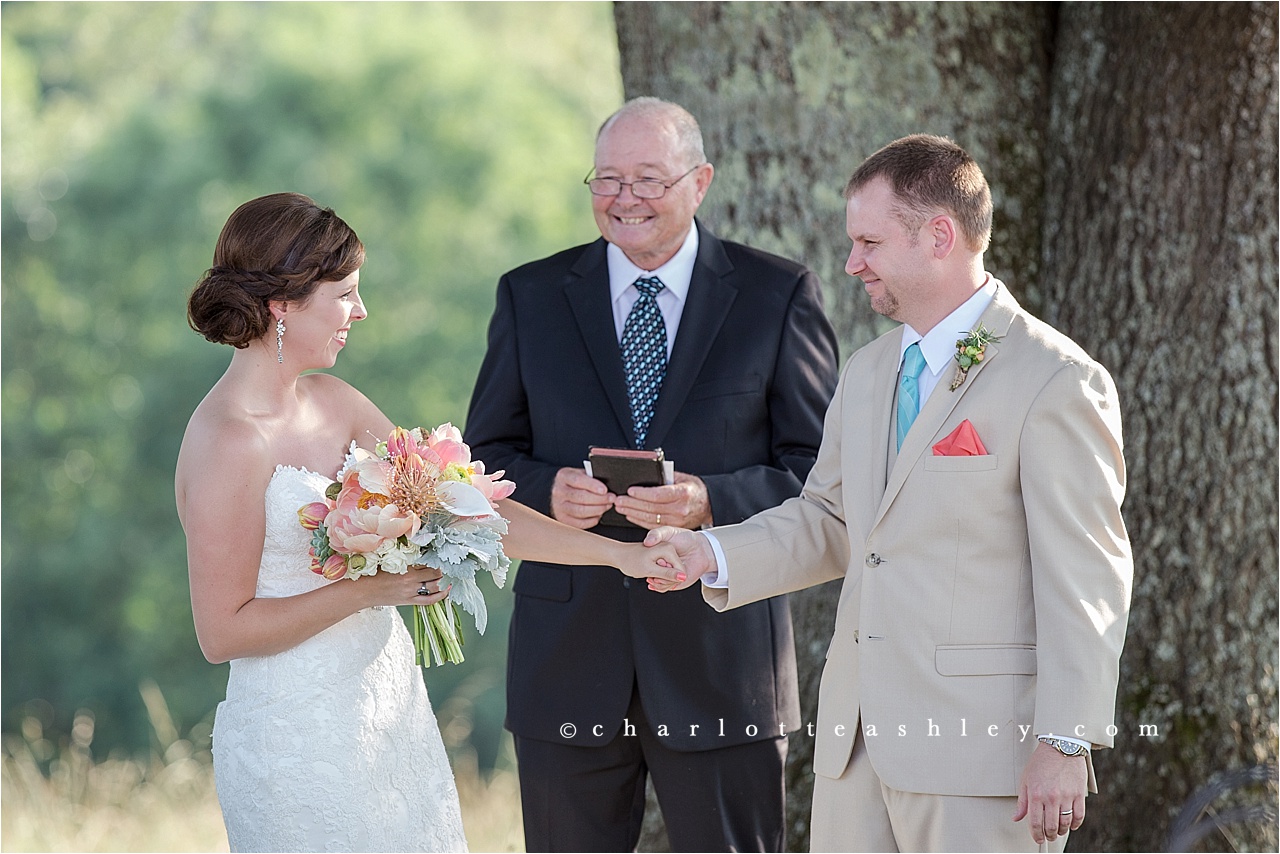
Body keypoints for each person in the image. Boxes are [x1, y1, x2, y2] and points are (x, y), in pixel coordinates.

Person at [645, 134, 1134, 852]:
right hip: (855, 751)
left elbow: (1088, 575)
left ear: (939, 235)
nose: (852, 263)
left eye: (869, 242)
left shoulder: (1055, 379)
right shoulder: (870, 371)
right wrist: (710, 553)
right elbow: (832, 520)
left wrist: (1065, 740)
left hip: (983, 758)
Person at [174, 192, 683, 853]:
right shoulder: (228, 441)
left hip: (388, 719)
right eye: (345, 294)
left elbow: (472, 508)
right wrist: (372, 590)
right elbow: (221, 632)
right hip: (296, 742)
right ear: (283, 303)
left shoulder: (336, 401)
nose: (360, 311)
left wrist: (622, 557)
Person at [464, 97, 839, 852]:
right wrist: (547, 492)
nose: (624, 198)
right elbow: (485, 460)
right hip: (566, 655)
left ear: (700, 182)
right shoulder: (530, 295)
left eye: (647, 179)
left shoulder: (776, 296)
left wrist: (710, 502)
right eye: (607, 179)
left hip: (723, 656)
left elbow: (823, 476)